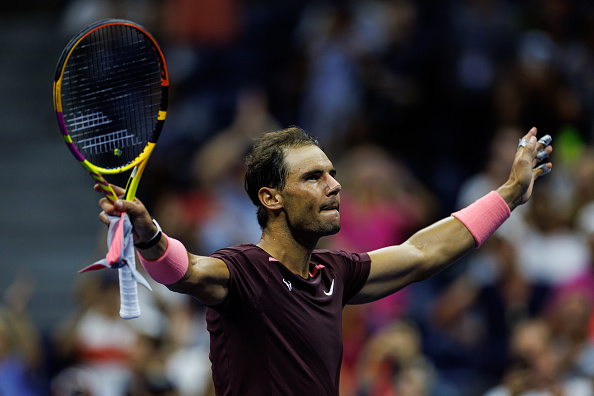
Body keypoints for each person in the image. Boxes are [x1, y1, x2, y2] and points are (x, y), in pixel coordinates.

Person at [96, 125, 552, 396]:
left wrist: (509, 194)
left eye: (332, 173)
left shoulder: (334, 272)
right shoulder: (245, 270)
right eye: (314, 177)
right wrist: (150, 234)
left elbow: (421, 253)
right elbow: (188, 272)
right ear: (270, 197)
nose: (334, 186)